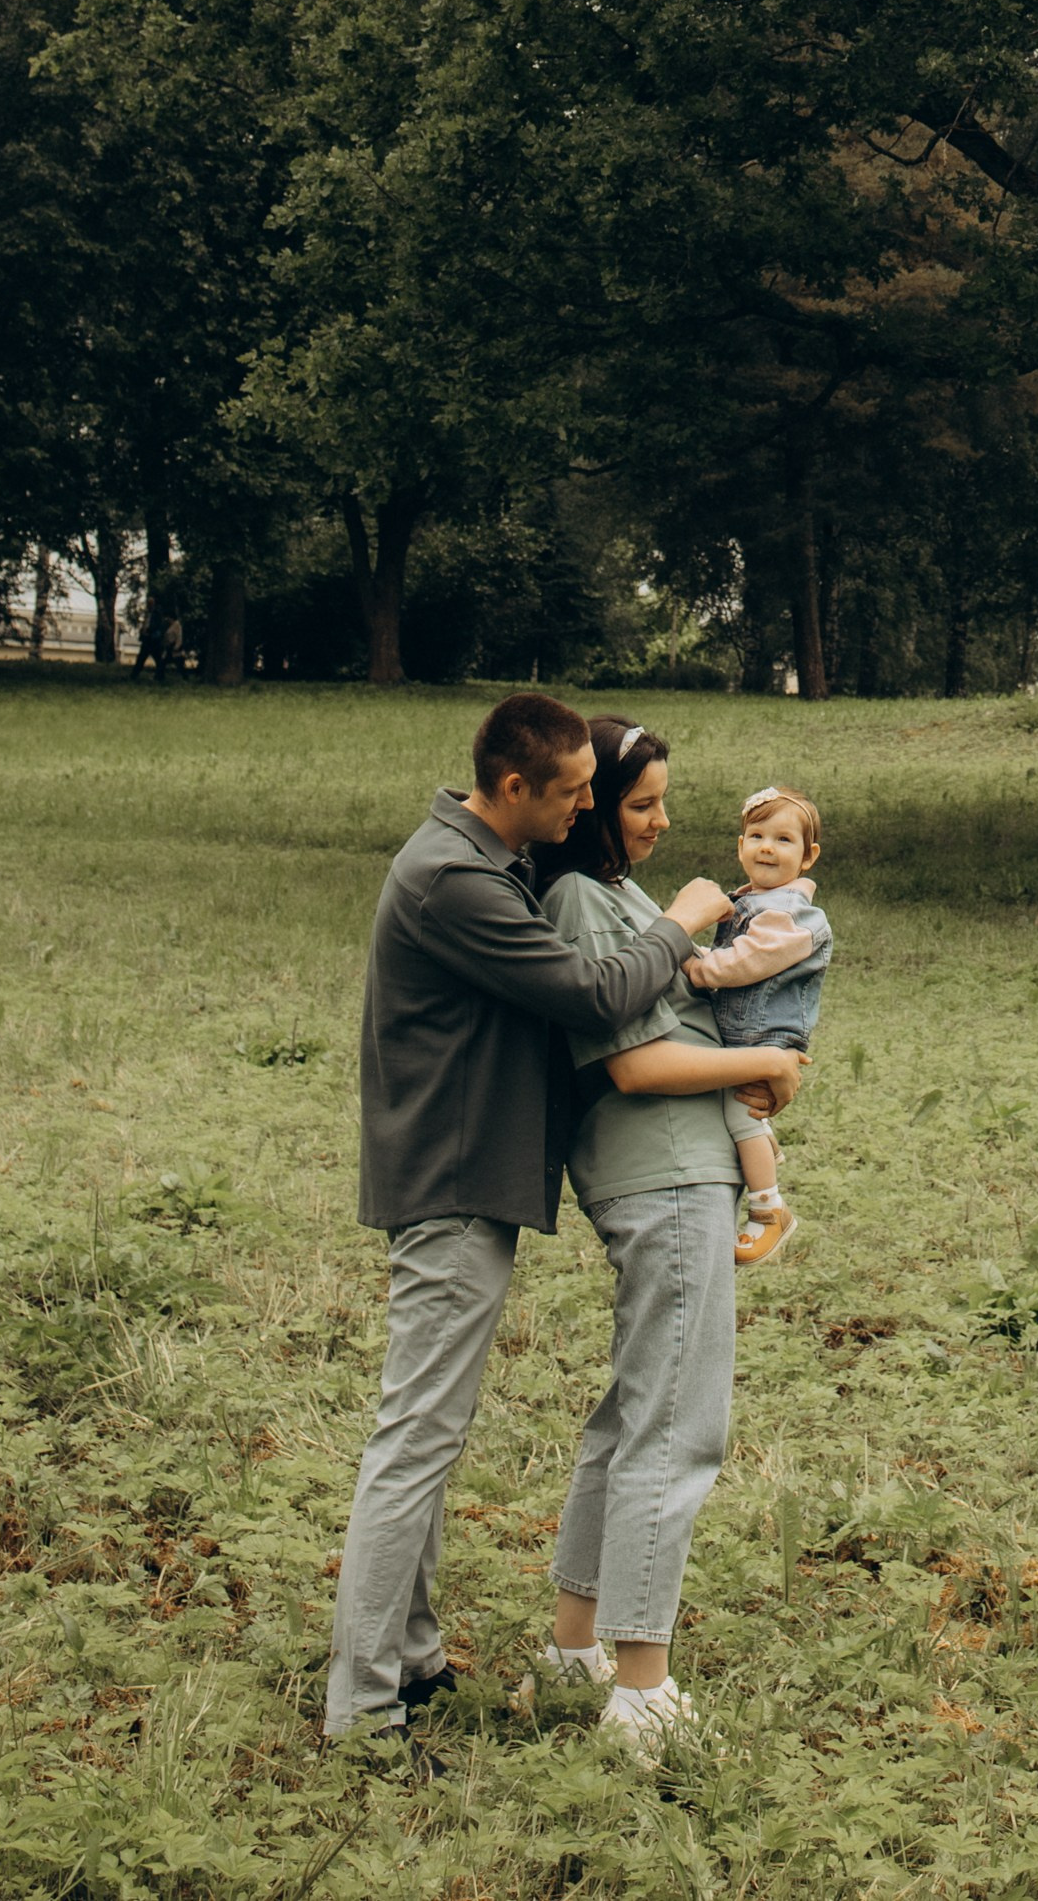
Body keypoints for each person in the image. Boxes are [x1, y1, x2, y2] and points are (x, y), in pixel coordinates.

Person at [324, 691, 741, 1744]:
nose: (585, 809)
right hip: (451, 1180)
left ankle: (411, 1660)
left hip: (471, 1177)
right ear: (513, 784)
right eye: (572, 792)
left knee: (430, 1430)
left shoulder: (483, 863)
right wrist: (680, 919)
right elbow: (595, 995)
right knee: (414, 1434)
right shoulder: (452, 879)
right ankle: (364, 1704)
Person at [536, 721, 807, 1754]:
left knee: (630, 1410)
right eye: (642, 803)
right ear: (593, 805)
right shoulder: (582, 898)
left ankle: (574, 1652)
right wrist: (767, 1074)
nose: (659, 820)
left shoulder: (619, 899)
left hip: (678, 1168)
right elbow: (634, 1063)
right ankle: (640, 1689)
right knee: (676, 1426)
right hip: (667, 1174)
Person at [679, 783, 831, 1267]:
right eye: (757, 835)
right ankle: (761, 1145)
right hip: (747, 1032)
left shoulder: (788, 916)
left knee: (739, 1116)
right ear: (740, 845)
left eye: (784, 840)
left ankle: (769, 1210)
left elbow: (743, 963)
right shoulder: (752, 902)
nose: (768, 846)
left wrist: (690, 960)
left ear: (808, 857)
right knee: (742, 1117)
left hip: (764, 1036)